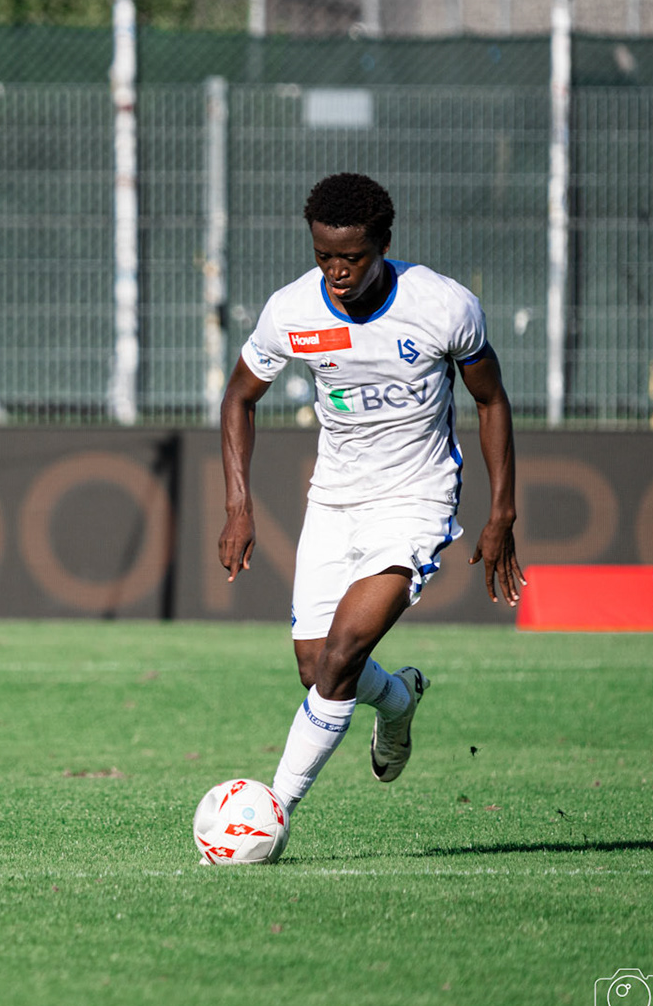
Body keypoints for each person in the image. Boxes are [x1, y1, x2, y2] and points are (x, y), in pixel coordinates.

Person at [218, 172, 522, 839]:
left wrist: (502, 515)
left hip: (416, 499)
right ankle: (400, 699)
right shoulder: (294, 312)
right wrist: (239, 506)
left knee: (343, 652)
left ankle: (269, 815)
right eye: (324, 255)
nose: (336, 271)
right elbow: (239, 396)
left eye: (351, 257)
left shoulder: (443, 306)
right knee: (314, 664)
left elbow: (490, 400)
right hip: (333, 501)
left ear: (383, 243)